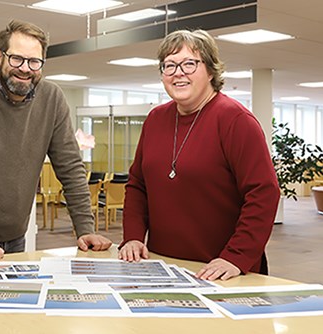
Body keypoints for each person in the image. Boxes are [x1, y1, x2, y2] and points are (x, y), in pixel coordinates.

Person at [0, 20, 112, 262]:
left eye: (34, 61)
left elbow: (71, 168)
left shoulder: (52, 98)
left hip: (15, 239)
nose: (25, 68)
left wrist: (85, 229)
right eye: (16, 59)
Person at [118, 29, 280, 281]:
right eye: (169, 66)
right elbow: (138, 185)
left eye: (189, 64)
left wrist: (236, 256)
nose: (178, 73)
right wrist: (133, 237)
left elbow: (263, 193)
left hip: (220, 270)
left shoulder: (236, 120)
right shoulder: (155, 119)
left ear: (211, 70)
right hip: (163, 265)